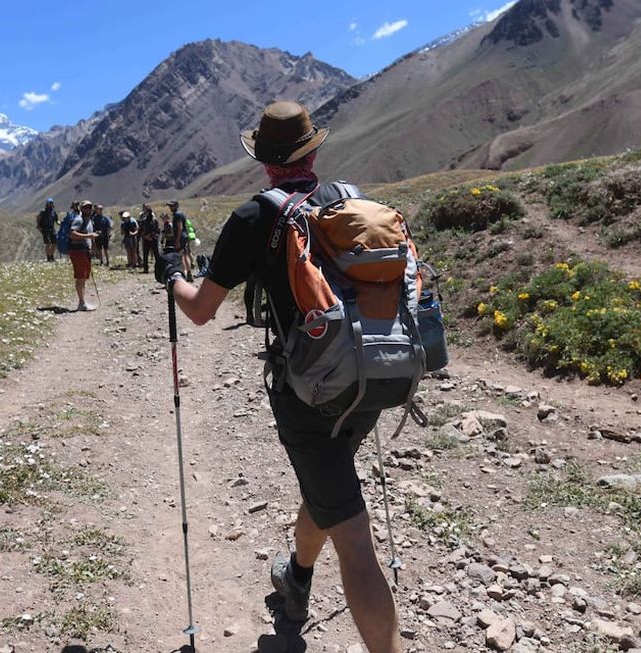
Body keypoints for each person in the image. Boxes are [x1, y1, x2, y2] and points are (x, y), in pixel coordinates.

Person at [156, 101, 403, 652]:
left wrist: (173, 277)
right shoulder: (348, 199)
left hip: (310, 390)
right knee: (329, 482)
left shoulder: (254, 217)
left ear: (263, 161)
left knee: (356, 542)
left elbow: (200, 309)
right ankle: (296, 574)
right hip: (371, 374)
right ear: (313, 150)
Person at [69, 200, 98, 311]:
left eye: (90, 207)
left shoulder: (88, 220)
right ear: (81, 209)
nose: (88, 209)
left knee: (83, 277)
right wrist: (88, 235)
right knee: (80, 277)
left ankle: (83, 301)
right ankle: (81, 303)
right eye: (86, 208)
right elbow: (72, 234)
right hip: (78, 251)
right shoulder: (79, 219)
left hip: (84, 251)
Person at [168, 200, 195, 282]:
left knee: (181, 256)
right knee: (185, 254)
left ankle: (184, 273)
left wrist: (177, 240)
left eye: (172, 206)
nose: (170, 208)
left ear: (176, 206)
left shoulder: (177, 215)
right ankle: (189, 273)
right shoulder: (179, 214)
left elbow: (180, 228)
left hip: (181, 238)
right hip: (183, 237)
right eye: (170, 206)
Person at [139, 203, 160, 273]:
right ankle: (145, 268)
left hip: (153, 239)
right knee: (145, 254)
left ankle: (158, 268)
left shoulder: (154, 221)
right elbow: (140, 230)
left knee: (156, 254)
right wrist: (145, 236)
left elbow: (157, 230)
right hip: (146, 239)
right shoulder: (144, 221)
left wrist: (152, 236)